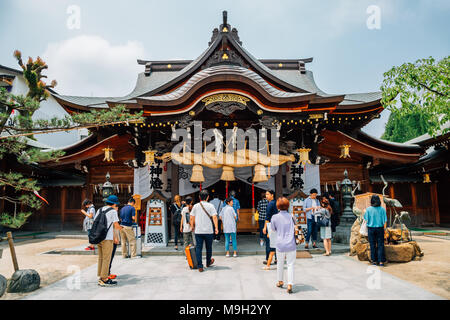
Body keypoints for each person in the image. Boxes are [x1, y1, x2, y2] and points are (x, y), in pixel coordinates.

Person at [94, 195, 123, 287]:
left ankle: (101, 277)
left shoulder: (99, 210)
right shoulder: (113, 211)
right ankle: (104, 279)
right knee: (107, 258)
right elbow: (116, 225)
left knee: (101, 258)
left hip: (99, 237)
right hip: (107, 238)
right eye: (116, 205)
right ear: (114, 204)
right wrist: (122, 228)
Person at [270, 197, 297, 294]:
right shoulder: (292, 216)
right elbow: (296, 225)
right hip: (291, 243)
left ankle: (280, 281)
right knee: (290, 264)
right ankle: (290, 284)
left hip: (280, 243)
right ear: (287, 206)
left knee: (280, 263)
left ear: (278, 206)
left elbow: (273, 229)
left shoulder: (274, 217)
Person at [190, 189, 219, 272]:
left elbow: (191, 217)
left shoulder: (195, 206)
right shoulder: (211, 206)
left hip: (198, 231)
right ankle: (208, 262)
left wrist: (192, 226)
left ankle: (200, 266)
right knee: (208, 247)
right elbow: (214, 217)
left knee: (198, 248)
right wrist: (216, 228)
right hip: (208, 231)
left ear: (199, 197)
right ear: (208, 197)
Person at [364, 195, 387, 266]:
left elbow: (365, 219)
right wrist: (385, 230)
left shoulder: (368, 209)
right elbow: (385, 221)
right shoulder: (382, 209)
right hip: (380, 228)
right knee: (380, 244)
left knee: (372, 244)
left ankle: (374, 261)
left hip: (371, 229)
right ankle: (381, 261)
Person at [263, 190, 278, 268]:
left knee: (269, 242)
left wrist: (265, 227)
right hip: (276, 225)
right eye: (266, 194)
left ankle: (268, 259)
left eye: (268, 194)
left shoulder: (270, 204)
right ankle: (276, 258)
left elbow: (267, 217)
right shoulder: (275, 202)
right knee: (275, 241)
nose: (266, 196)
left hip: (270, 225)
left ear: (272, 195)